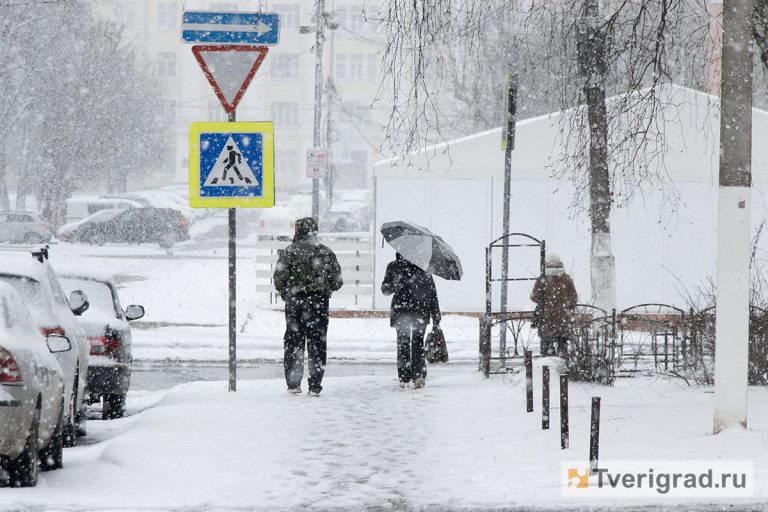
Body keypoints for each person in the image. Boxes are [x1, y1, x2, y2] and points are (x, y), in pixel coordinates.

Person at [273, 217, 343, 397]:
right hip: (318, 303)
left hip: (294, 303)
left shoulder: (289, 252)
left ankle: (293, 384)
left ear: (297, 231)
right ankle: (314, 386)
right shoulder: (325, 252)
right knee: (317, 344)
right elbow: (338, 281)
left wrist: (288, 292)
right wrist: (324, 288)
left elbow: (279, 279)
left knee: (293, 343)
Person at [381, 253, 441, 389]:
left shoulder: (422, 267)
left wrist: (436, 315)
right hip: (403, 312)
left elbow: (432, 293)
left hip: (418, 311)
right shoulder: (394, 266)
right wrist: (395, 284)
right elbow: (385, 290)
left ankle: (417, 376)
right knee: (404, 344)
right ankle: (405, 376)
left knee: (416, 343)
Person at [530, 253, 578, 357]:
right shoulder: (566, 279)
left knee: (547, 350)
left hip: (547, 319)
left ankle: (548, 365)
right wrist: (567, 308)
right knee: (562, 349)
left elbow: (534, 297)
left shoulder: (542, 279)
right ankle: (562, 363)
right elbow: (574, 298)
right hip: (563, 320)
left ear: (546, 264)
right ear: (559, 263)